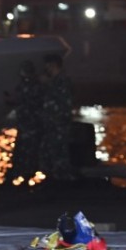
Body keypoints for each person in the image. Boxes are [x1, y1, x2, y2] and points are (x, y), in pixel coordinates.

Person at [4, 60, 45, 186]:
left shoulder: (34, 86)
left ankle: (26, 176)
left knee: (28, 151)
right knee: (21, 151)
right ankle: (18, 175)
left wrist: (15, 100)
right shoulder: (26, 85)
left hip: (31, 124)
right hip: (24, 123)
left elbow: (29, 101)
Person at [40, 53, 77, 183]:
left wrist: (48, 84)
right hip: (51, 123)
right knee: (48, 152)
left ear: (53, 65)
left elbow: (63, 101)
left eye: (47, 65)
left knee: (59, 153)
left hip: (59, 124)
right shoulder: (55, 81)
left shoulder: (62, 81)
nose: (46, 68)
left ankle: (62, 180)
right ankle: (53, 179)